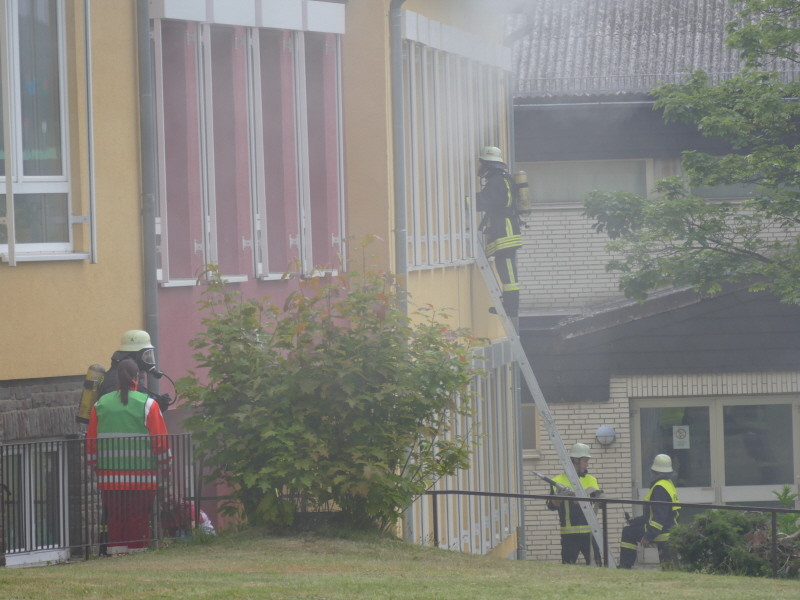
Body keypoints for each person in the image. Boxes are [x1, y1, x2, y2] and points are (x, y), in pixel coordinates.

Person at [86, 358, 172, 554]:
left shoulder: (100, 405)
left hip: (109, 479)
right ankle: (136, 553)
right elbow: (161, 442)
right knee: (139, 518)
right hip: (141, 478)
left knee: (115, 518)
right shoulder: (148, 405)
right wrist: (166, 468)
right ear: (137, 377)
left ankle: (117, 553)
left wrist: (94, 467)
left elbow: (91, 442)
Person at [475, 146, 522, 318]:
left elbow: (486, 202)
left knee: (507, 269)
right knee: (506, 268)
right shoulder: (503, 179)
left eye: (483, 164)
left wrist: (463, 201)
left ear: (489, 165)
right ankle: (509, 306)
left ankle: (510, 308)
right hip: (505, 228)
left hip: (505, 231)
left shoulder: (497, 181)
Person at [619, 453, 680, 569]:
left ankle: (625, 567)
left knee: (628, 532)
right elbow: (652, 515)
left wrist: (648, 535)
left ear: (655, 472)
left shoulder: (659, 488)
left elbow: (658, 517)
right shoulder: (668, 484)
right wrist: (635, 521)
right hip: (669, 530)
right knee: (670, 567)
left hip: (662, 532)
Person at [546, 442, 603, 565]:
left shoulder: (591, 480)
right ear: (575, 461)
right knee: (568, 567)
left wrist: (600, 497)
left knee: (597, 566)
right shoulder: (557, 481)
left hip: (589, 533)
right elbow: (551, 506)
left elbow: (600, 503)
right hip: (569, 535)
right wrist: (559, 497)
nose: (587, 464)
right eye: (585, 461)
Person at [97, 330, 163, 398]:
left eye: (150, 353)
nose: (149, 357)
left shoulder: (128, 375)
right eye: (146, 354)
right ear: (134, 356)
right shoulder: (117, 379)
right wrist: (152, 402)